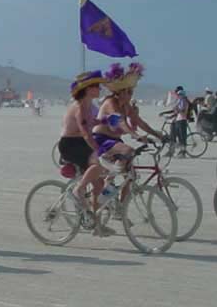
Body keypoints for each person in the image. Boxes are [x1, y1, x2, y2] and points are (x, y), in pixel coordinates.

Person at [92, 63, 156, 235]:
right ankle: (107, 187)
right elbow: (119, 121)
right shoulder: (110, 103)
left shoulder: (126, 105)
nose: (130, 94)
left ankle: (119, 206)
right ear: (119, 92)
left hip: (115, 141)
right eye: (128, 91)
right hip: (102, 140)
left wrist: (158, 134)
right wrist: (135, 135)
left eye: (131, 92)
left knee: (131, 174)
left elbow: (141, 122)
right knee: (127, 151)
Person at [59, 71, 107, 215]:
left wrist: (106, 121)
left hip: (80, 143)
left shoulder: (87, 106)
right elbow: (86, 133)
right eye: (97, 86)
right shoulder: (79, 107)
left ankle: (94, 219)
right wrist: (99, 150)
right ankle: (79, 190)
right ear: (88, 89)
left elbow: (92, 123)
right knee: (99, 163)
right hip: (71, 145)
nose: (100, 89)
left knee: (99, 183)